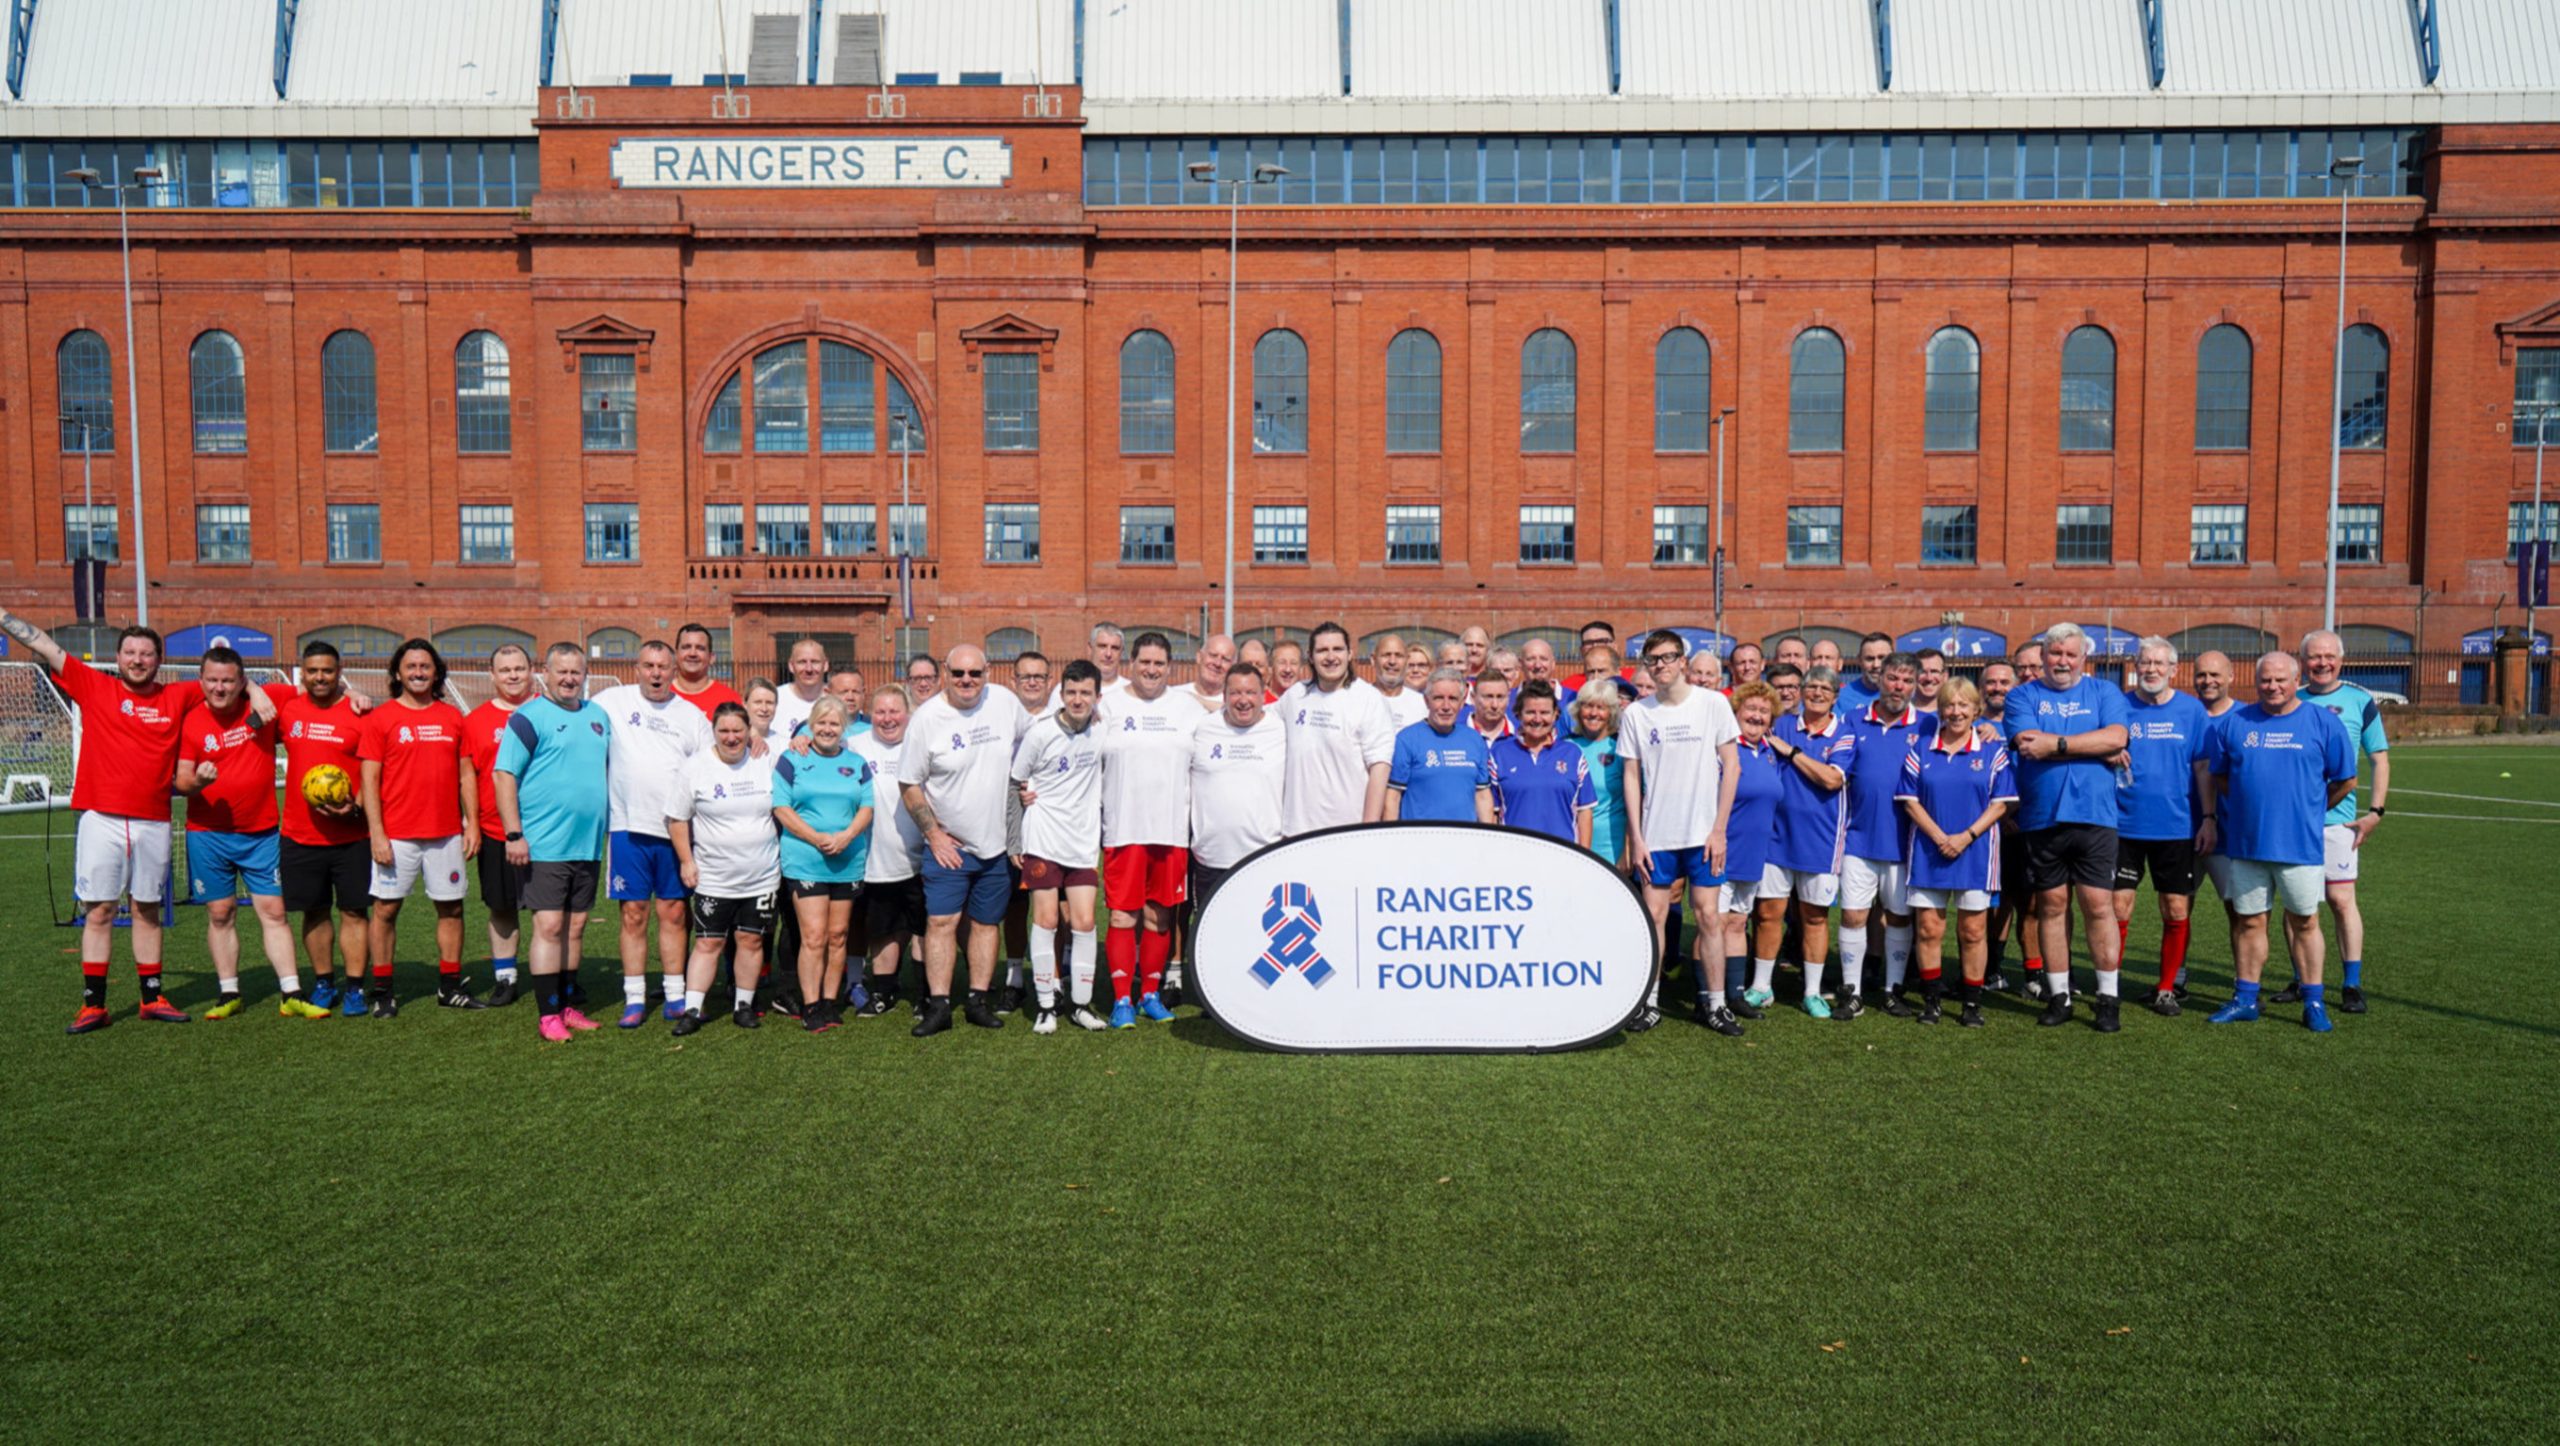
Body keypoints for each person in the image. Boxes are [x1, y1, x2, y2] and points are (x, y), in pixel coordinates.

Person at [2, 611, 273, 1031]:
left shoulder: (178, 695)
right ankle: (94, 1003)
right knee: (100, 911)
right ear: (118, 656)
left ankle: (152, 997)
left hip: (154, 821)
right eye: (130, 652)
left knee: (147, 909)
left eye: (146, 653)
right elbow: (43, 644)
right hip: (101, 818)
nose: (138, 659)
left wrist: (254, 688)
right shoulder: (95, 685)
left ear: (158, 660)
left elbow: (223, 680)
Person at [2201, 653, 2356, 1032]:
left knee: (2304, 922)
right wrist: (2246, 809)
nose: (2272, 687)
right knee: (2250, 922)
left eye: (2280, 680)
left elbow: (2344, 780)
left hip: (2298, 847)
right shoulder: (2235, 724)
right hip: (2247, 845)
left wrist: (2308, 809)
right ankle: (2245, 999)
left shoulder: (2323, 722)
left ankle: (2314, 1000)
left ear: (2296, 679)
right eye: (2265, 681)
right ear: (2255, 683)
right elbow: (2220, 778)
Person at [175, 647, 322, 1018]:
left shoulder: (267, 701)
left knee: (273, 911)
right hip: (208, 833)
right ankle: (229, 993)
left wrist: (353, 694)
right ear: (201, 681)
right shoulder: (191, 721)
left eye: (227, 680)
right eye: (212, 680)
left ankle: (291, 991)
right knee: (220, 912)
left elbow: (320, 692)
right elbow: (181, 780)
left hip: (261, 832)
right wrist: (197, 783)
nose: (219, 688)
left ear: (241, 681)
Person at [2002, 622, 2132, 1030]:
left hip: (2095, 816)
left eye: (2069, 655)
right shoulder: (2022, 695)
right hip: (2041, 817)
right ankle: (2059, 996)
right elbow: (2027, 744)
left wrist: (2056, 744)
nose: (2062, 661)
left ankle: (2108, 998)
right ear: (2042, 657)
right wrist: (2095, 747)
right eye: (2055, 654)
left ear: (2083, 659)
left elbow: (2118, 736)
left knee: (2098, 905)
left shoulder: (2104, 692)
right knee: (2051, 907)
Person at [898, 644, 1032, 1035]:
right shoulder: (927, 719)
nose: (967, 681)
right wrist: (933, 834)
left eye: (975, 673)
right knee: (940, 921)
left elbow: (1037, 739)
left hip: (996, 847)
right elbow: (909, 783)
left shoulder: (1005, 702)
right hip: (949, 846)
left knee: (986, 924)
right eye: (958, 673)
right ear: (945, 672)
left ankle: (977, 1000)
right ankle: (939, 1006)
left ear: (988, 671)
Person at [1619, 628, 1741, 1032]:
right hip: (1657, 837)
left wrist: (1719, 829)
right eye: (1653, 660)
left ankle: (1715, 1003)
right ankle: (1648, 1002)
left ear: (1683, 661)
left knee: (1709, 917)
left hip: (1705, 836)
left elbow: (1732, 767)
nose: (1661, 665)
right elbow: (1632, 777)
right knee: (1652, 916)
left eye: (1668, 657)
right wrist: (1637, 838)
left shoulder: (1712, 705)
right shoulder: (1638, 712)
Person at [495, 642, 613, 1041]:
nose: (568, 679)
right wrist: (514, 834)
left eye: (575, 672)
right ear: (545, 672)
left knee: (575, 927)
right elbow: (504, 775)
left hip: (587, 844)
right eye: (561, 671)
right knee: (548, 926)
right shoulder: (528, 718)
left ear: (585, 674)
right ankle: (547, 1015)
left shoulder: (598, 717)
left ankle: (566, 1003)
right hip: (543, 843)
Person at [595, 640, 714, 1027]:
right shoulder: (612, 701)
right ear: (637, 667)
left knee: (674, 913)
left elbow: (708, 764)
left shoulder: (692, 715)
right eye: (649, 665)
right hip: (627, 827)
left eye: (663, 666)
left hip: (675, 829)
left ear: (674, 669)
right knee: (633, 914)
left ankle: (675, 994)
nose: (657, 673)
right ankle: (634, 997)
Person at [360, 637, 479, 1017]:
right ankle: (382, 991)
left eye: (425, 667)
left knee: (452, 909)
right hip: (396, 835)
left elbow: (466, 775)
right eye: (410, 667)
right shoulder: (381, 718)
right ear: (397, 672)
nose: (418, 672)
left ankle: (449, 987)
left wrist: (472, 823)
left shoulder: (452, 717)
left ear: (436, 672)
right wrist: (377, 833)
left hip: (445, 833)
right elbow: (369, 780)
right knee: (385, 910)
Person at [1897, 678, 2017, 1028]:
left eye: (1964, 705)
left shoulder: (1992, 751)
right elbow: (1909, 801)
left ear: (1976, 710)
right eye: (1950, 705)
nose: (1956, 711)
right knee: (1929, 930)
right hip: (1928, 850)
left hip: (1976, 852)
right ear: (1941, 710)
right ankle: (1932, 1001)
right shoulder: (1920, 748)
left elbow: (2001, 805)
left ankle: (1971, 1004)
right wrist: (1939, 837)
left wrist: (1965, 837)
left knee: (1973, 931)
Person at [1096, 633, 1198, 1026]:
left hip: (1171, 832)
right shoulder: (1110, 705)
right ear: (1131, 664)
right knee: (1123, 918)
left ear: (1169, 667)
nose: (1151, 670)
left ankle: (1150, 995)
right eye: (1144, 663)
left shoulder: (1186, 709)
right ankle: (1122, 1000)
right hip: (1123, 829)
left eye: (1159, 664)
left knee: (1160, 918)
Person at [275, 640, 377, 1014]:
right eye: (313, 671)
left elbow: (373, 771)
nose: (320, 677)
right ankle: (322, 982)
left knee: (353, 911)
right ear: (303, 672)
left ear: (340, 671)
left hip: (352, 834)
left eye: (328, 671)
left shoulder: (360, 714)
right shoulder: (287, 709)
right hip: (300, 834)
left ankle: (354, 988)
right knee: (314, 912)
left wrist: (357, 809)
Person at [664, 701, 778, 1034]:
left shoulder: (765, 760)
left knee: (751, 940)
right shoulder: (695, 767)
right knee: (708, 943)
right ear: (713, 732)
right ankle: (693, 1009)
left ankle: (744, 1005)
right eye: (724, 731)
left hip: (762, 875)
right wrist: (686, 860)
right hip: (714, 877)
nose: (731, 738)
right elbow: (677, 818)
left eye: (737, 731)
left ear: (748, 732)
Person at [2112, 637, 2211, 1017]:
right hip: (2123, 826)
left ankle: (2167, 988)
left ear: (2173, 669)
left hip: (2177, 828)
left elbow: (2202, 767)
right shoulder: (2119, 706)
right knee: (2119, 909)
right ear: (2136, 666)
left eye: (2158, 663)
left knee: (2175, 909)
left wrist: (2208, 819)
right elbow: (2101, 745)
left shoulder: (2191, 711)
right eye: (2144, 662)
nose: (2151, 669)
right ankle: (2111, 983)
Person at [1835, 652, 1935, 1018]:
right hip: (1857, 838)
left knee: (1899, 918)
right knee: (1853, 916)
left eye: (1907, 681)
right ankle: (1852, 991)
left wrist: (1986, 727)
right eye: (1893, 678)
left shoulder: (1929, 725)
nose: (1899, 687)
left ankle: (1893, 990)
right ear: (1880, 678)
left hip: (1907, 842)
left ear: (1915, 685)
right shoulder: (1852, 719)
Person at [2294, 630, 2389, 1014]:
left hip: (2339, 821)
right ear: (2303, 661)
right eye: (2314, 656)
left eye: (2328, 656)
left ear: (2341, 660)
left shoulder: (2359, 700)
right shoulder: (2291, 697)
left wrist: (2375, 812)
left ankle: (2351, 983)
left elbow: (2378, 758)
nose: (2322, 663)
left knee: (2340, 899)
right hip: (2296, 820)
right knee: (2298, 904)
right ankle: (2302, 977)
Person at [1012, 660, 1107, 1033]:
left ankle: (1081, 1005)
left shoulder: (1103, 730)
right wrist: (1014, 838)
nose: (1078, 699)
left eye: (1085, 693)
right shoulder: (1040, 733)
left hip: (1082, 841)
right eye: (1071, 693)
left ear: (1097, 697)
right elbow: (1015, 782)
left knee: (1084, 922)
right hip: (1043, 838)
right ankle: (1046, 1005)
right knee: (1047, 920)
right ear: (1061, 695)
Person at [772, 696, 872, 1033]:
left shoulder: (857, 763)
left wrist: (845, 837)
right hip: (806, 860)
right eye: (822, 723)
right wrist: (816, 838)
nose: (828, 729)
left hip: (847, 859)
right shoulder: (792, 759)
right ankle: (810, 1003)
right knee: (813, 936)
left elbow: (867, 808)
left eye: (834, 724)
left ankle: (830, 1002)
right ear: (811, 726)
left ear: (844, 728)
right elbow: (781, 808)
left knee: (838, 935)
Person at [1765, 665, 1850, 1016]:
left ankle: (1812, 991)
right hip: (1775, 835)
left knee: (1814, 916)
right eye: (1810, 686)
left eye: (1823, 689)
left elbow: (1832, 780)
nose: (1816, 693)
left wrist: (1793, 753)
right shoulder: (1781, 723)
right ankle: (1760, 986)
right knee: (1769, 913)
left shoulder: (1843, 733)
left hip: (1821, 839)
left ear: (1835, 695)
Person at [1705, 682, 1786, 1035]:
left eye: (1763, 711)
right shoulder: (1724, 749)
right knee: (1714, 925)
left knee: (1738, 924)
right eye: (1750, 709)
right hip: (1723, 848)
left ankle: (1735, 995)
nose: (1756, 715)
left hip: (1755, 853)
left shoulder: (1769, 751)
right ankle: (1708, 996)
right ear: (1735, 714)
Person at [463, 644, 537, 1006]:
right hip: (495, 831)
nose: (512, 675)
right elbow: (468, 778)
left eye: (519, 668)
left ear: (531, 671)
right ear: (492, 675)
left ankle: (555, 976)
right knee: (502, 907)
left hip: (545, 831)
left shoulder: (548, 711)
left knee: (549, 910)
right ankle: (505, 977)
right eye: (505, 669)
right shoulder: (475, 721)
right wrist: (472, 824)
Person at [850, 684, 927, 1017]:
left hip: (924, 856)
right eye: (880, 712)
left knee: (923, 927)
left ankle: (927, 993)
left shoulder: (922, 744)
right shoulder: (853, 745)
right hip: (876, 858)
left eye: (894, 711)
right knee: (882, 928)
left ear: (908, 714)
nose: (887, 718)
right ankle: (884, 990)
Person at [1189, 660, 1288, 914]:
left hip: (1263, 856)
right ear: (1224, 696)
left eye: (1250, 692)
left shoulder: (1280, 729)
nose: (1243, 700)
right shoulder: (1202, 727)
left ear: (1263, 694)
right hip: (1211, 858)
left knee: (1259, 936)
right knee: (1211, 937)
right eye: (1235, 693)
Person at [1278, 621, 1395, 835]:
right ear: (1310, 656)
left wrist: (1367, 830)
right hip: (1296, 832)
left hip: (1346, 832)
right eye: (1322, 650)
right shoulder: (1295, 695)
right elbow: (1257, 718)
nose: (1331, 657)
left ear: (1350, 653)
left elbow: (1380, 768)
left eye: (1337, 649)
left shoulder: (1368, 699)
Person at [1985, 641, 2043, 994]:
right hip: (1992, 826)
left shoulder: (2033, 718)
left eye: (2004, 682)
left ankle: (2036, 975)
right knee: (1996, 902)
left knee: (2034, 902)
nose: (1998, 688)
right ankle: (1992, 968)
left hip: (2030, 823)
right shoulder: (1975, 724)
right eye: (1991, 682)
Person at [1492, 680, 1595, 846]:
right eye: (1530, 712)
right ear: (1518, 714)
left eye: (1545, 712)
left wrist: (1584, 858)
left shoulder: (1573, 754)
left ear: (1555, 714)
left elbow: (1585, 812)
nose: (1537, 719)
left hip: (1563, 856)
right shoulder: (1499, 754)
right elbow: (1492, 814)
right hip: (1513, 856)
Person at [1387, 670, 1495, 824]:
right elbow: (1393, 796)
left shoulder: (1474, 740)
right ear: (1426, 700)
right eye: (1438, 698)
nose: (1446, 706)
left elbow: (1482, 795)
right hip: (1420, 840)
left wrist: (1488, 838)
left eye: (1452, 699)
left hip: (1465, 840)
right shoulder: (1407, 739)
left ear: (1462, 701)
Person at [1571, 681, 1629, 870]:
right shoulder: (1566, 747)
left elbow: (1634, 804)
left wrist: (1627, 851)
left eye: (1601, 707)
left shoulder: (1621, 747)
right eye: (1588, 706)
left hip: (1611, 847)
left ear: (1611, 712)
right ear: (1579, 710)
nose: (1594, 713)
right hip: (1571, 844)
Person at [670, 622, 744, 717]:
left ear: (711, 657)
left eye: (700, 648)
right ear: (676, 655)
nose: (692, 653)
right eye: (686, 647)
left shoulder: (729, 699)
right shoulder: (660, 696)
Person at [773, 637, 832, 745]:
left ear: (826, 665)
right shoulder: (774, 698)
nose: (809, 669)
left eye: (815, 662)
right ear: (791, 666)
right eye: (802, 662)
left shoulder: (838, 700)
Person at [1372, 632, 1426, 729]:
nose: (1392, 661)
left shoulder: (1422, 704)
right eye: (1386, 655)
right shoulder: (1359, 700)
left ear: (1407, 660)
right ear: (1373, 659)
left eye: (1398, 656)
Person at [1839, 632, 1894, 712]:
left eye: (1882, 658)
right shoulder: (1842, 697)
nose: (1876, 665)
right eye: (1870, 659)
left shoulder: (1904, 694)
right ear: (1859, 660)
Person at [1187, 634, 1237, 713]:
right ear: (1199, 657)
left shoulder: (1237, 702)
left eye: (1225, 659)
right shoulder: (1174, 694)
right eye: (1213, 655)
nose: (1217, 663)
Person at [1466, 672, 1515, 746]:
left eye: (1500, 697)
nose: (1494, 705)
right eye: (1488, 697)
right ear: (1473, 698)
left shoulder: (1521, 734)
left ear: (1508, 698)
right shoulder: (1456, 733)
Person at [743, 678, 781, 758]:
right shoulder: (734, 742)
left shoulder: (785, 745)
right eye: (758, 702)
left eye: (769, 703)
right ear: (745, 704)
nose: (764, 709)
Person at [1089, 623, 1128, 693]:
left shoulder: (1132, 692)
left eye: (1115, 648)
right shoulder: (1070, 691)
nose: (1108, 654)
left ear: (1121, 652)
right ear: (1090, 649)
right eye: (1102, 646)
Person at [1914, 648, 1949, 712]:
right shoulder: (1898, 715)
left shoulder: (1956, 715)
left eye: (1934, 671)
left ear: (1945, 676)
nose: (1929, 678)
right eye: (1922, 672)